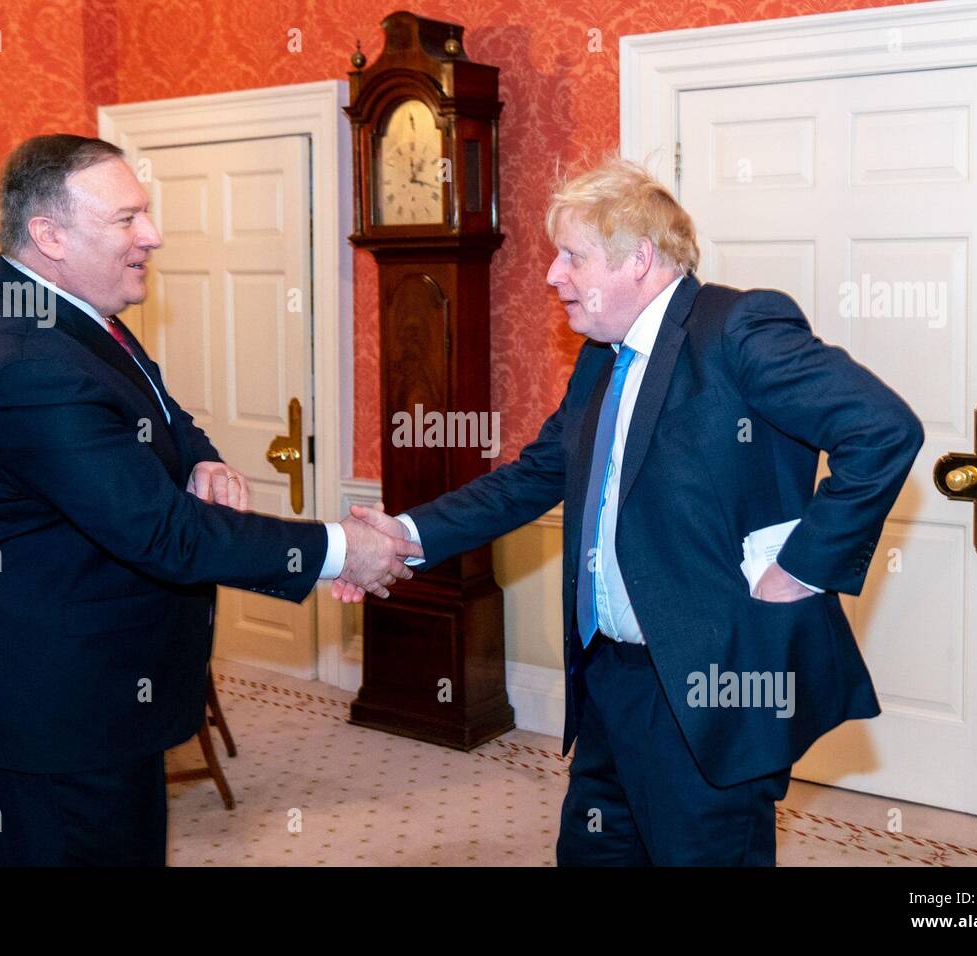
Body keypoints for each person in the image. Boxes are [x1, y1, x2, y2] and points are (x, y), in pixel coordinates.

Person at [335, 157, 923, 865]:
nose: (553, 275)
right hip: (609, 682)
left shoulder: (738, 328)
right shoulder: (601, 356)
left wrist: (801, 570)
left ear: (638, 259)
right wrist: (407, 532)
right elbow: (534, 477)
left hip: (706, 690)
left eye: (571, 256)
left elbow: (884, 429)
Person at [0, 134, 420, 866]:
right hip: (54, 707)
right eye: (127, 220)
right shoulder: (27, 360)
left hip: (89, 690)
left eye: (145, 214)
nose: (152, 236)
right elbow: (163, 535)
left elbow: (157, 408)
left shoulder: (72, 314)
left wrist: (202, 461)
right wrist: (343, 549)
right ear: (49, 235)